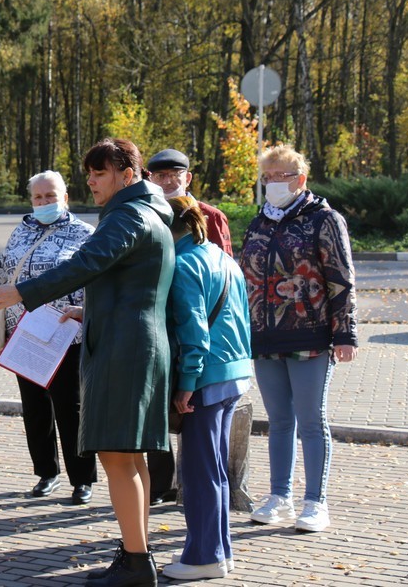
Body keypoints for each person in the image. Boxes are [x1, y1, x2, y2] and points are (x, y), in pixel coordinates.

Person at [0, 138, 175, 587]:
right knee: (131, 458)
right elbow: (134, 286)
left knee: (116, 457)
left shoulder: (128, 214)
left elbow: (88, 261)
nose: (90, 180)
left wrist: (21, 292)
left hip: (124, 350)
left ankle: (136, 563)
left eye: (99, 172)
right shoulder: (151, 213)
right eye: (88, 172)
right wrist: (91, 311)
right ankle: (134, 553)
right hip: (135, 341)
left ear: (127, 173)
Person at [240, 145, 358, 533]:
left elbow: (341, 277)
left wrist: (346, 333)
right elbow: (247, 278)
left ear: (300, 179)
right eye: (267, 177)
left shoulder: (324, 219)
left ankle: (315, 502)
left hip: (311, 334)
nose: (273, 183)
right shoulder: (259, 222)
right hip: (265, 337)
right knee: (278, 421)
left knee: (311, 420)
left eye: (281, 176)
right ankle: (279, 497)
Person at [0, 170, 98, 505]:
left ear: (65, 198)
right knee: (35, 408)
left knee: (71, 408)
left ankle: (82, 479)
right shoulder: (21, 231)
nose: (44, 202)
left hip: (66, 335)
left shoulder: (85, 234)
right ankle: (46, 473)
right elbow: (5, 273)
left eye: (50, 196)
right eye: (38, 197)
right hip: (23, 333)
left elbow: (94, 281)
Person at [160, 196, 253, 581]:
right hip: (234, 374)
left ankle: (203, 558)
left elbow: (195, 336)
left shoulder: (183, 265)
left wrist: (185, 385)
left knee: (199, 472)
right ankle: (219, 551)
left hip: (206, 379)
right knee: (213, 469)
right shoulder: (221, 257)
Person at [145, 148, 233, 505]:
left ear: (188, 178)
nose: (168, 182)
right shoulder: (148, 217)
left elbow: (224, 277)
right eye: (160, 176)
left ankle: (190, 485)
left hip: (197, 334)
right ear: (150, 179)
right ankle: (160, 482)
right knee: (156, 411)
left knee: (191, 412)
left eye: (174, 175)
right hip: (159, 329)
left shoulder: (210, 217)